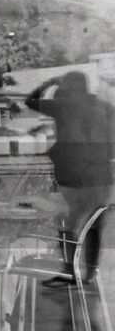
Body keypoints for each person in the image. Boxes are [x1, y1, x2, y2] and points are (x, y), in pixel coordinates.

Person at [25, 71, 114, 287]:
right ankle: (89, 275)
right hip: (99, 176)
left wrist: (48, 82)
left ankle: (69, 272)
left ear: (69, 87)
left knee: (67, 225)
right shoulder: (105, 108)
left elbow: (31, 101)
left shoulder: (65, 106)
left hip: (72, 175)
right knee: (93, 227)